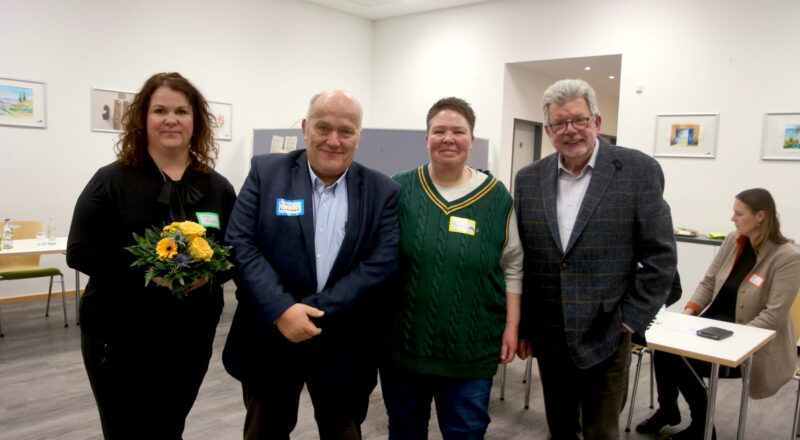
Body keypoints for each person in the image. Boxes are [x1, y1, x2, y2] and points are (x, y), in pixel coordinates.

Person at [222, 90, 401, 440]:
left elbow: (379, 264)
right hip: (270, 339)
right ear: (305, 128)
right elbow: (240, 243)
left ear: (359, 137)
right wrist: (281, 310)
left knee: (343, 433)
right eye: (323, 127)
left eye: (346, 131)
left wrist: (308, 311)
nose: (333, 140)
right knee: (264, 433)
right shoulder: (266, 171)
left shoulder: (383, 191)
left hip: (343, 344)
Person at [67, 72, 237, 438]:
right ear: (143, 119)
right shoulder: (111, 180)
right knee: (125, 429)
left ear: (197, 122)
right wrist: (146, 272)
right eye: (160, 110)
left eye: (181, 111)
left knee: (170, 424)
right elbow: (80, 251)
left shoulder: (217, 187)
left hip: (191, 336)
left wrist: (211, 274)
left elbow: (234, 252)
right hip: (121, 334)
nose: (171, 119)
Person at [514, 78, 677, 440]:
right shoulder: (528, 179)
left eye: (579, 120)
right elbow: (525, 260)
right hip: (550, 333)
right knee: (560, 427)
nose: (570, 130)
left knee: (602, 431)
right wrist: (525, 327)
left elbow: (661, 258)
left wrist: (630, 320)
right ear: (548, 129)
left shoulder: (638, 171)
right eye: (560, 123)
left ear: (597, 123)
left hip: (607, 330)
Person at [380, 97, 523, 439]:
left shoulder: (496, 197)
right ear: (426, 137)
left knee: (466, 433)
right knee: (404, 431)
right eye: (439, 131)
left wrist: (511, 327)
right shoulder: (398, 188)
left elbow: (513, 265)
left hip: (470, 351)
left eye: (458, 131)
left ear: (472, 140)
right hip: (404, 348)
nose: (448, 138)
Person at [636, 188, 800, 440]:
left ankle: (701, 427)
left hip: (754, 342)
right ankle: (669, 410)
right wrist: (688, 314)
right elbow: (708, 283)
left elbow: (773, 315)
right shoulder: (733, 240)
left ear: (760, 216)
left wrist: (736, 340)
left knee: (678, 358)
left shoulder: (787, 257)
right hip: (711, 327)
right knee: (664, 347)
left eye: (738, 213)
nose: (732, 218)